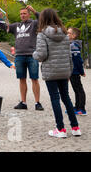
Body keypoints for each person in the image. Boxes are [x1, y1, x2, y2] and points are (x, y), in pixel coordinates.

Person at [33, 8, 81, 137]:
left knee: (55, 98)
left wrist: (34, 54)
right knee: (66, 98)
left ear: (43, 19)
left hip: (51, 71)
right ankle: (75, 127)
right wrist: (69, 71)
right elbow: (69, 56)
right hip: (64, 71)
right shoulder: (65, 34)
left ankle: (60, 129)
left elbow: (41, 55)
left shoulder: (42, 34)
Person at [0, 6, 44, 111]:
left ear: (28, 14)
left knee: (34, 79)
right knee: (21, 79)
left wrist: (34, 10)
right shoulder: (16, 26)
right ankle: (23, 102)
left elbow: (42, 20)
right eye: (21, 14)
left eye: (24, 13)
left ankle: (37, 103)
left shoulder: (34, 24)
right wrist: (1, 19)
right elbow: (4, 28)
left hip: (32, 55)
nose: (22, 15)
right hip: (19, 56)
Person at [67, 27, 87, 116]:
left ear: (74, 35)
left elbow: (78, 60)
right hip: (71, 71)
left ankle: (82, 108)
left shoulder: (74, 46)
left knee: (79, 90)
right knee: (76, 89)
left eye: (69, 33)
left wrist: (81, 71)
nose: (67, 34)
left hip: (75, 71)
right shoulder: (70, 44)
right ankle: (77, 106)